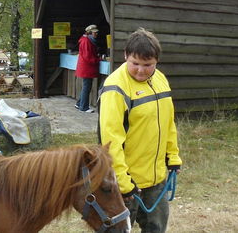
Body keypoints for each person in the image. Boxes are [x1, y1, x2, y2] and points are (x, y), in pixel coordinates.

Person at [98, 28, 182, 233]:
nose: (141, 70)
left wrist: (173, 156)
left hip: (156, 179)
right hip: (126, 184)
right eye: (135, 63)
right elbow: (110, 142)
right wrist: (123, 183)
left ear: (156, 62)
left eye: (148, 65)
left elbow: (168, 122)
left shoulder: (160, 79)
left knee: (156, 228)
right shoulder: (115, 88)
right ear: (125, 55)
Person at [75, 24, 100, 113]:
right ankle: (84, 107)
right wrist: (98, 59)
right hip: (86, 68)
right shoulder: (86, 41)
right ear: (89, 33)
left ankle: (79, 104)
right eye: (94, 32)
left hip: (85, 67)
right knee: (87, 87)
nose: (96, 34)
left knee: (86, 86)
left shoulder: (86, 40)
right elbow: (88, 57)